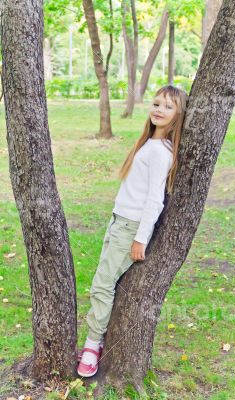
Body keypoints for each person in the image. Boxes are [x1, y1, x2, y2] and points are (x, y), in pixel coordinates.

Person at [77, 84, 188, 377]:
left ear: (178, 114)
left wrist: (140, 238)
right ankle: (95, 340)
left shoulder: (161, 153)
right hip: (118, 221)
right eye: (156, 103)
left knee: (102, 285)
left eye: (168, 106)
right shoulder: (149, 144)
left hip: (129, 228)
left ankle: (92, 345)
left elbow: (155, 199)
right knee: (104, 282)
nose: (159, 109)